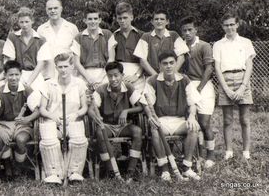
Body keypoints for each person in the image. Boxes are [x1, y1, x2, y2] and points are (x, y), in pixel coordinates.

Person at [141, 50, 201, 181]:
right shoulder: (152, 80)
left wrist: (191, 116)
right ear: (160, 66)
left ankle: (186, 167)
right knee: (155, 129)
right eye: (165, 63)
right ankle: (164, 169)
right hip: (161, 120)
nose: (168, 66)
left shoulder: (184, 79)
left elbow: (193, 102)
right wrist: (151, 116)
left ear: (175, 64)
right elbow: (146, 104)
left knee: (194, 127)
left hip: (179, 120)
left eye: (171, 63)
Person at [88, 61, 144, 182]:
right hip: (107, 125)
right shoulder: (101, 90)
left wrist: (126, 111)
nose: (113, 79)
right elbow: (91, 109)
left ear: (122, 75)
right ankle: (111, 171)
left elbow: (140, 107)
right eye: (110, 76)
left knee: (137, 131)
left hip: (124, 126)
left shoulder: (129, 87)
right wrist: (95, 117)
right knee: (99, 133)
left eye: (116, 75)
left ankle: (131, 171)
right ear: (107, 76)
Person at [39, 52, 88, 184]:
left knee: (79, 137)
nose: (63, 70)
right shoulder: (48, 84)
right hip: (54, 122)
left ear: (72, 66)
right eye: (60, 67)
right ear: (56, 67)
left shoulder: (79, 83)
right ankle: (54, 174)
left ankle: (75, 172)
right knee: (48, 137)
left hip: (73, 121)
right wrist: (52, 116)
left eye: (66, 66)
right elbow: (42, 108)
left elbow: (84, 107)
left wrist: (76, 115)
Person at [213, 12, 256, 161]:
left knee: (244, 119)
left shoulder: (246, 42)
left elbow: (249, 65)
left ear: (237, 24)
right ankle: (229, 152)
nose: (229, 27)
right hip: (225, 80)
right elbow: (217, 68)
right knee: (227, 120)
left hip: (242, 78)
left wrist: (243, 86)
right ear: (222, 26)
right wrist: (225, 88)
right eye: (226, 25)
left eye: (232, 24)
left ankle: (246, 152)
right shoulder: (218, 44)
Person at [0, 60, 40, 180]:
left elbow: (37, 111)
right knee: (2, 139)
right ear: (5, 75)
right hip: (4, 124)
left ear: (20, 74)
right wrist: (0, 130)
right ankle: (7, 166)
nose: (13, 78)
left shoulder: (27, 90)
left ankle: (18, 165)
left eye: (16, 75)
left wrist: (27, 118)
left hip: (23, 124)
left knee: (21, 140)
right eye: (10, 75)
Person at [180, 16, 216, 168]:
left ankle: (210, 155)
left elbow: (209, 68)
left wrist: (199, 88)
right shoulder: (180, 46)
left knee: (204, 122)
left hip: (204, 86)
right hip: (187, 85)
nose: (187, 33)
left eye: (190, 30)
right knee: (191, 122)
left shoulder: (204, 45)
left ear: (195, 30)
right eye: (184, 30)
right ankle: (198, 155)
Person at [3, 7, 52, 91]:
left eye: (27, 21)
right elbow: (10, 61)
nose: (24, 25)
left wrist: (29, 82)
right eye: (21, 22)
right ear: (18, 22)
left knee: (36, 98)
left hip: (35, 74)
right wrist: (12, 76)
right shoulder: (12, 37)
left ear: (32, 21)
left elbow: (40, 64)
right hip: (17, 73)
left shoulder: (41, 40)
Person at [134, 9, 189, 76]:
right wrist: (156, 76)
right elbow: (142, 60)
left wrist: (172, 73)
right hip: (152, 76)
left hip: (171, 76)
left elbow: (181, 56)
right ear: (152, 21)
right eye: (156, 19)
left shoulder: (173, 35)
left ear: (167, 21)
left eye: (162, 19)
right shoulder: (146, 36)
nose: (159, 21)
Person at [37, 0, 79, 80]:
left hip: (68, 74)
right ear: (46, 10)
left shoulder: (72, 28)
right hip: (48, 75)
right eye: (50, 9)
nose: (53, 11)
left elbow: (77, 53)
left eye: (55, 8)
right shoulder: (41, 30)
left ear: (61, 9)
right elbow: (39, 55)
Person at [107, 2, 144, 92]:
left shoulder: (141, 35)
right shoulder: (113, 36)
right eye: (120, 18)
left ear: (131, 17)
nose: (122, 21)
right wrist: (117, 76)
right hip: (119, 73)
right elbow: (111, 60)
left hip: (138, 72)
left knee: (138, 100)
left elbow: (145, 60)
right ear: (116, 19)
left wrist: (136, 75)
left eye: (125, 18)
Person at [70, 7, 112, 87]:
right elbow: (76, 63)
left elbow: (111, 59)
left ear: (100, 20)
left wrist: (100, 78)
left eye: (95, 19)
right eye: (90, 19)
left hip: (105, 73)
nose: (93, 22)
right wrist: (89, 79)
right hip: (85, 74)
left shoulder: (107, 34)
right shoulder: (78, 37)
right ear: (85, 20)